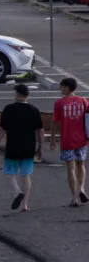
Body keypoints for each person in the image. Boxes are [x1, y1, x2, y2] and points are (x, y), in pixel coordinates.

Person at [0, 84, 44, 211]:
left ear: (17, 94)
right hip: (29, 147)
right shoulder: (34, 110)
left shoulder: (9, 109)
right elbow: (40, 131)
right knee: (26, 175)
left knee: (9, 172)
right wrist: (40, 147)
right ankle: (25, 204)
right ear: (27, 95)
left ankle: (17, 192)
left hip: (13, 146)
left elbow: (1, 129)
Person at [51, 77, 89, 207]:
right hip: (82, 139)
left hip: (67, 140)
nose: (60, 89)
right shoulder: (83, 101)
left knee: (70, 169)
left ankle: (74, 198)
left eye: (61, 86)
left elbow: (55, 122)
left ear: (66, 87)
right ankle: (82, 189)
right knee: (81, 164)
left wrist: (52, 139)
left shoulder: (59, 103)